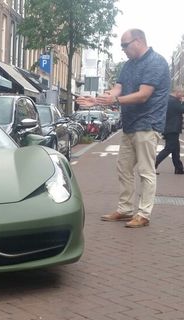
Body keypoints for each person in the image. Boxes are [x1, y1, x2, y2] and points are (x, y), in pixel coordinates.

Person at [77, 28, 170, 228]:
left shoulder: (156, 62)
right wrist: (99, 99)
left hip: (148, 124)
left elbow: (143, 94)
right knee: (124, 168)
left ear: (138, 41)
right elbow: (117, 88)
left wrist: (115, 99)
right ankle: (126, 209)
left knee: (146, 171)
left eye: (125, 45)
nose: (123, 50)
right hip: (129, 125)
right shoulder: (128, 65)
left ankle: (143, 214)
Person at [156, 87, 184, 175]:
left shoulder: (169, 100)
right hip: (172, 128)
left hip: (171, 128)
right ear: (177, 92)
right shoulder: (173, 101)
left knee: (176, 149)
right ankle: (153, 165)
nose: (183, 95)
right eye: (182, 93)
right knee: (169, 148)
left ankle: (179, 168)